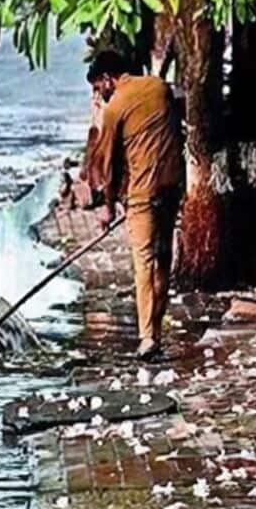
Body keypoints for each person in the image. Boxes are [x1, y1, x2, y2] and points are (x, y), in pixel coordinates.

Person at [86, 49, 183, 361]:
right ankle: (155, 331)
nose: (97, 93)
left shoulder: (115, 107)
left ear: (107, 78)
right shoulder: (159, 87)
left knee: (144, 264)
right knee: (163, 260)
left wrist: (108, 207)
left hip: (142, 195)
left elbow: (108, 165)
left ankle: (147, 338)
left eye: (97, 86)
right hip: (170, 189)